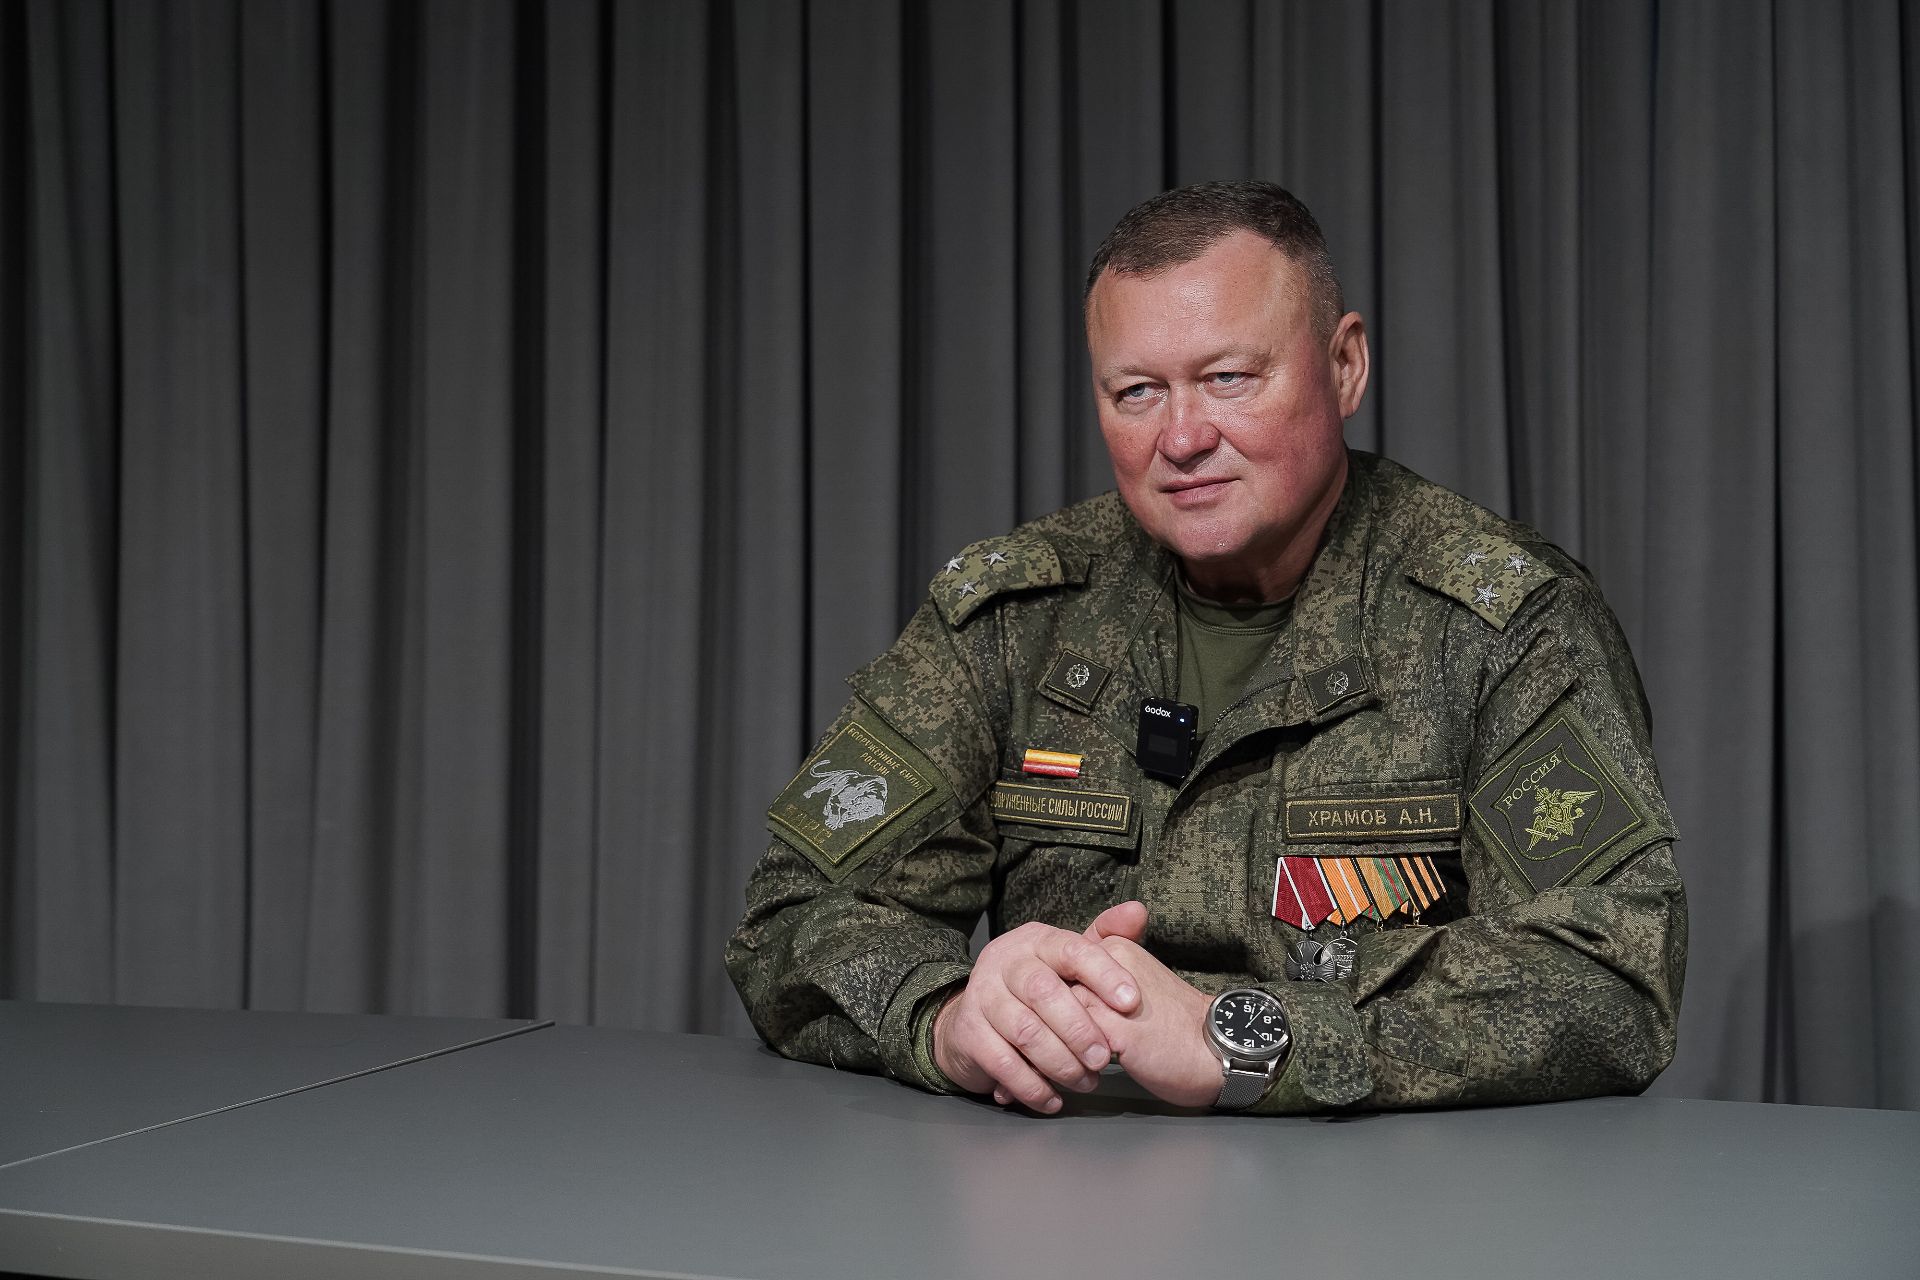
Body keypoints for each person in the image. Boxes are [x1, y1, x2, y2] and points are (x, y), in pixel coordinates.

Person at [726, 181, 1686, 1115]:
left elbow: (1609, 976)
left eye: (1229, 379)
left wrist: (1242, 1039)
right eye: (1137, 391)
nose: (1182, 438)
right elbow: (792, 914)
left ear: (1344, 366)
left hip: (1376, 1194)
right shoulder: (1017, 615)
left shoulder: (1500, 623)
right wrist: (944, 1020)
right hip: (1064, 1178)